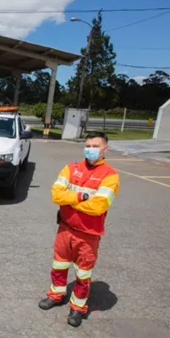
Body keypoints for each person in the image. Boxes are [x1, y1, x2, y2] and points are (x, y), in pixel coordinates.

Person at [38, 131, 120, 327]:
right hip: (65, 229)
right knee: (59, 265)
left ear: (105, 149)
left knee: (83, 273)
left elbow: (98, 207)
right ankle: (56, 295)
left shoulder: (110, 175)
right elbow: (56, 195)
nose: (91, 149)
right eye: (88, 145)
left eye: (96, 146)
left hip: (89, 234)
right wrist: (82, 197)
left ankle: (78, 307)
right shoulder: (70, 168)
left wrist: (70, 200)